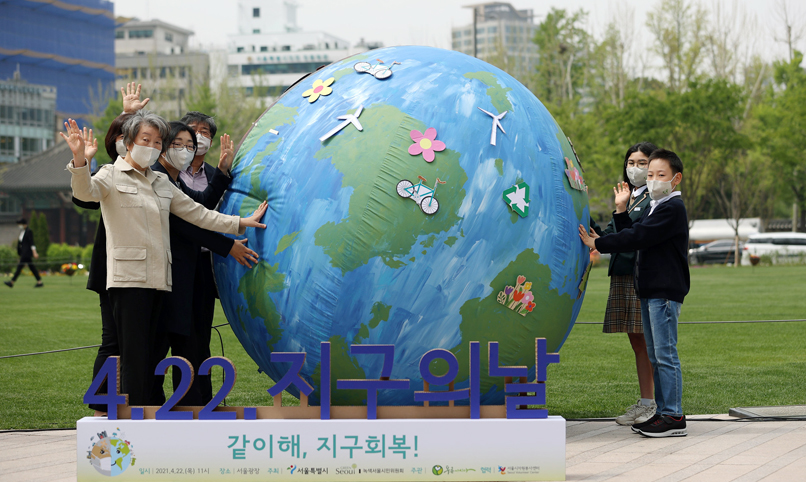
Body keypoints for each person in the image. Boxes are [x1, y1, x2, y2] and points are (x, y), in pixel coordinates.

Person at [62, 111, 268, 407]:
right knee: (133, 355)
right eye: (146, 139)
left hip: (160, 281)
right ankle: (134, 420)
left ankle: (148, 412)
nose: (152, 146)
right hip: (128, 280)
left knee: (149, 353)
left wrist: (240, 222)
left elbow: (198, 214)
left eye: (158, 141)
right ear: (130, 142)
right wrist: (81, 161)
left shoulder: (160, 181)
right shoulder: (110, 174)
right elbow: (86, 193)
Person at [579, 149, 689, 438]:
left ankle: (673, 415)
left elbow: (639, 237)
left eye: (659, 175)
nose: (652, 180)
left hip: (663, 291)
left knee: (665, 355)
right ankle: (663, 413)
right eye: (650, 174)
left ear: (676, 179)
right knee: (655, 354)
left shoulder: (671, 208)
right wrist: (620, 212)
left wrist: (599, 243)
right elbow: (635, 232)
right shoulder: (656, 206)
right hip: (650, 289)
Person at [150, 121, 258, 405]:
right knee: (169, 342)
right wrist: (228, 244)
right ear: (163, 145)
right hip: (164, 273)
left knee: (194, 339)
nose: (186, 150)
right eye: (179, 145)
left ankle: (194, 404)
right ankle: (166, 405)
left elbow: (199, 207)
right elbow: (189, 223)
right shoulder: (158, 177)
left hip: (188, 271)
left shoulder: (169, 179)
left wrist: (222, 172)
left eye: (190, 145)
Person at [600, 142, 658, 426]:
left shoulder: (654, 198)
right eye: (631, 162)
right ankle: (646, 402)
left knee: (647, 341)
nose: (635, 167)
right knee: (637, 341)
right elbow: (611, 233)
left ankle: (654, 405)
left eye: (642, 162)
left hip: (640, 275)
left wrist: (621, 209)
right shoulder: (628, 194)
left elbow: (633, 237)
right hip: (622, 275)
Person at [179, 110, 229, 403]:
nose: (199, 137)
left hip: (206, 264)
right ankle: (185, 401)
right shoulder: (169, 173)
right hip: (179, 263)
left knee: (202, 333)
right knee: (181, 336)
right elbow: (196, 214)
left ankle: (205, 400)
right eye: (192, 130)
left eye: (205, 132)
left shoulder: (215, 173)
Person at [5, 218, 43, 288]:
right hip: (23, 253)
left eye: (20, 224)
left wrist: (34, 252)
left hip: (26, 253)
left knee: (19, 267)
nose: (19, 225)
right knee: (32, 267)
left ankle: (12, 282)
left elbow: (32, 242)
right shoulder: (22, 231)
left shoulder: (29, 231)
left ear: (24, 224)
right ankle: (39, 282)